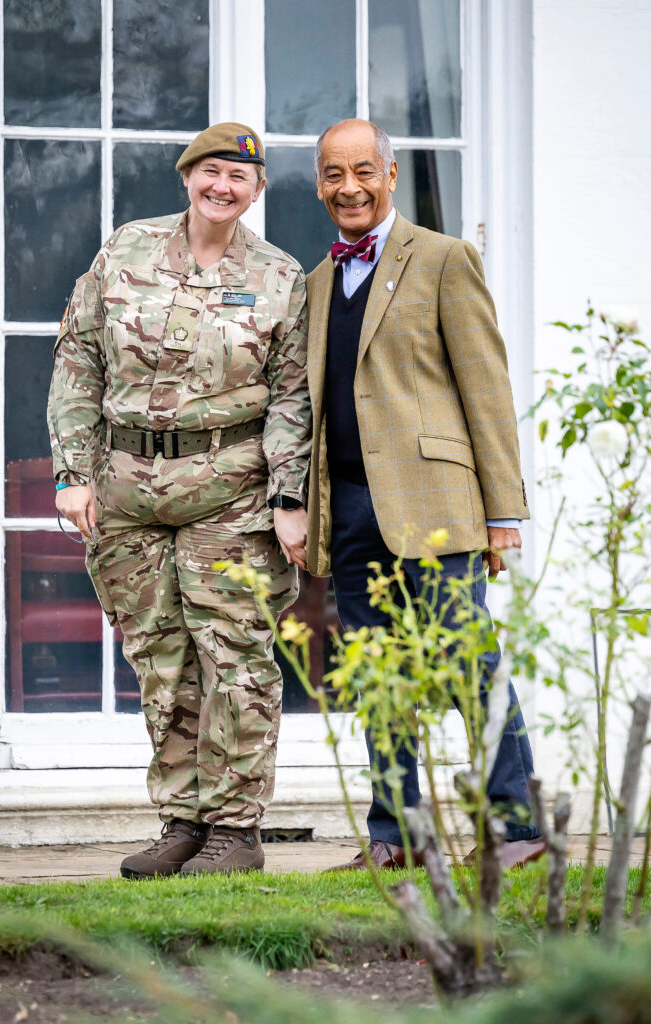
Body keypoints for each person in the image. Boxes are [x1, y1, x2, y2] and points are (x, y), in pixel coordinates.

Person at [47, 123, 310, 877]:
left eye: (239, 177)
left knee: (234, 657)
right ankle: (182, 822)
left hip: (230, 491)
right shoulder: (125, 250)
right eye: (211, 171)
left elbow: (293, 396)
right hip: (126, 492)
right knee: (161, 659)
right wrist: (72, 471)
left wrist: (289, 495)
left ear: (257, 189)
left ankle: (235, 830)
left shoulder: (279, 276)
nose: (222, 187)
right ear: (187, 174)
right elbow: (79, 360)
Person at [304, 118, 546, 871]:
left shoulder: (444, 258)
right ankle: (395, 834)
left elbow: (486, 388)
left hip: (438, 504)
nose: (349, 187)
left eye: (363, 171)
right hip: (350, 506)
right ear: (319, 184)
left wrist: (502, 513)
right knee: (377, 672)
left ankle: (518, 828)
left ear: (391, 174)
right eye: (334, 173)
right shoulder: (318, 282)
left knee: (468, 661)